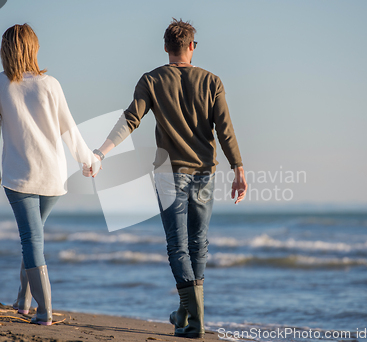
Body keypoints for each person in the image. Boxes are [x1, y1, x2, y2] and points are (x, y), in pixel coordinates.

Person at [85, 19, 247, 338]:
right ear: (190, 47)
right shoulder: (211, 81)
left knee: (178, 246)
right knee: (198, 244)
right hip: (204, 172)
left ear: (165, 48)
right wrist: (238, 169)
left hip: (169, 175)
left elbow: (130, 119)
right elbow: (225, 130)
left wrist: (100, 152)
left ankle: (190, 316)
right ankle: (189, 316)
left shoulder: (152, 80)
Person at [0, 24, 99, 325]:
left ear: (5, 50)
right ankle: (23, 301)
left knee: (31, 239)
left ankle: (45, 310)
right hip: (53, 178)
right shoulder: (50, 84)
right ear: (34, 48)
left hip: (19, 177)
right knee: (32, 238)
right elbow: (69, 130)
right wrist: (88, 160)